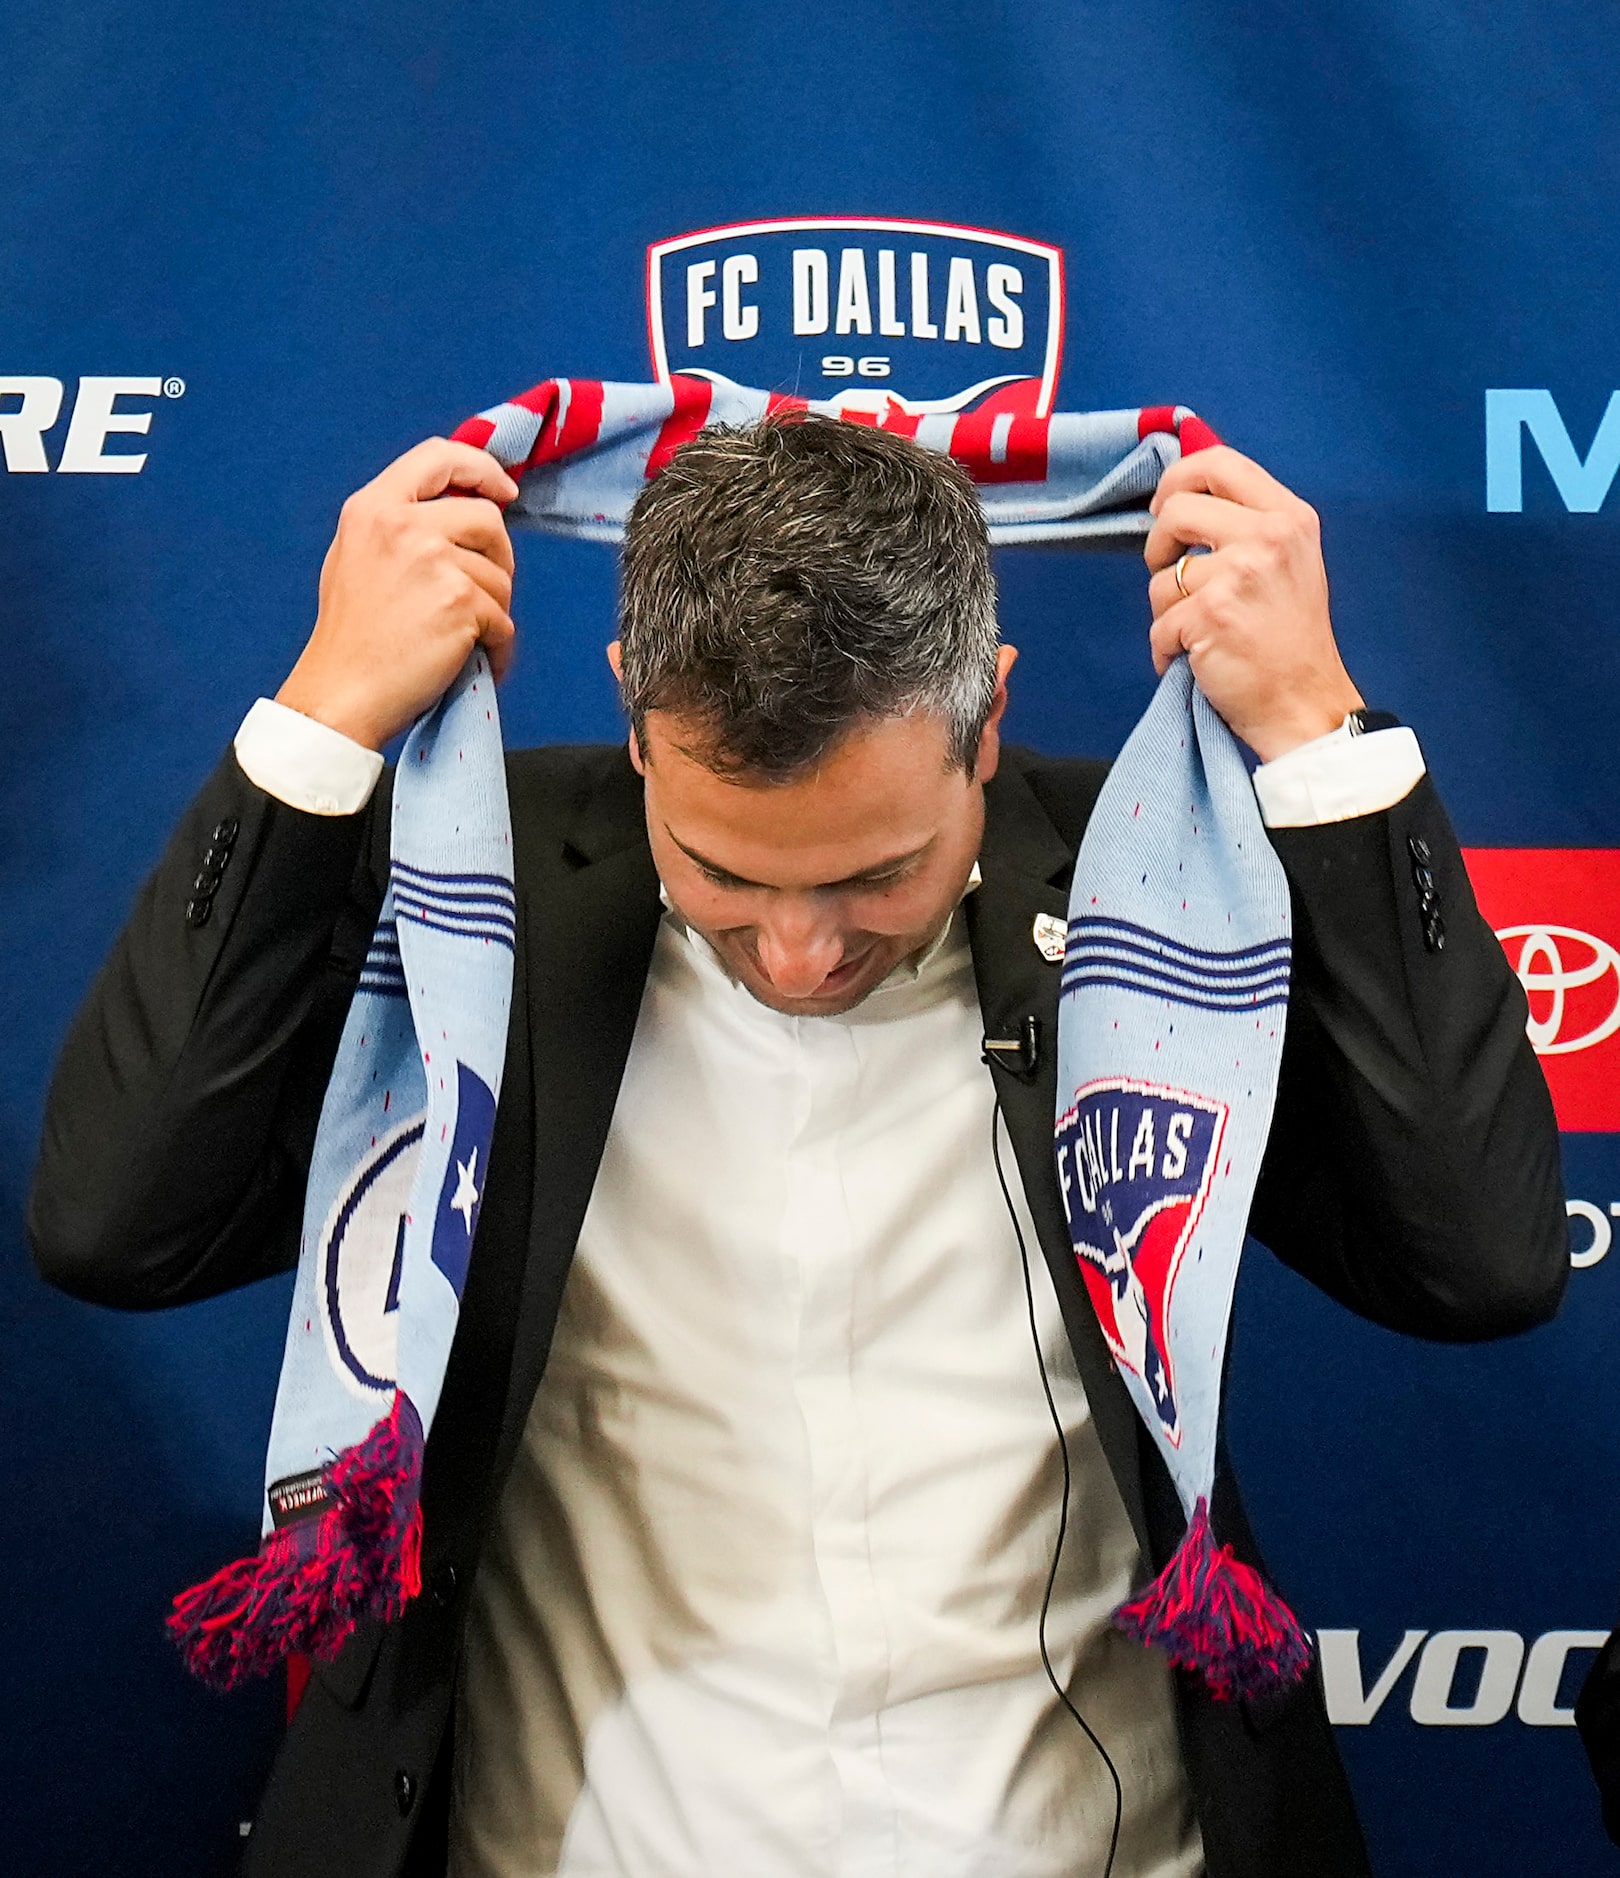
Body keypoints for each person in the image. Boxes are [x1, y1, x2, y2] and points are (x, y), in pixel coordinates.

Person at [29, 414, 1567, 1878]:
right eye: (722, 870)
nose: (799, 950)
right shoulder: (468, 894)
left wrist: (1316, 738)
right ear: (636, 714)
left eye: (877, 875)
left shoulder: (1161, 909)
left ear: (990, 723)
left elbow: (1477, 1256)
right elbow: (121, 1219)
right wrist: (319, 721)